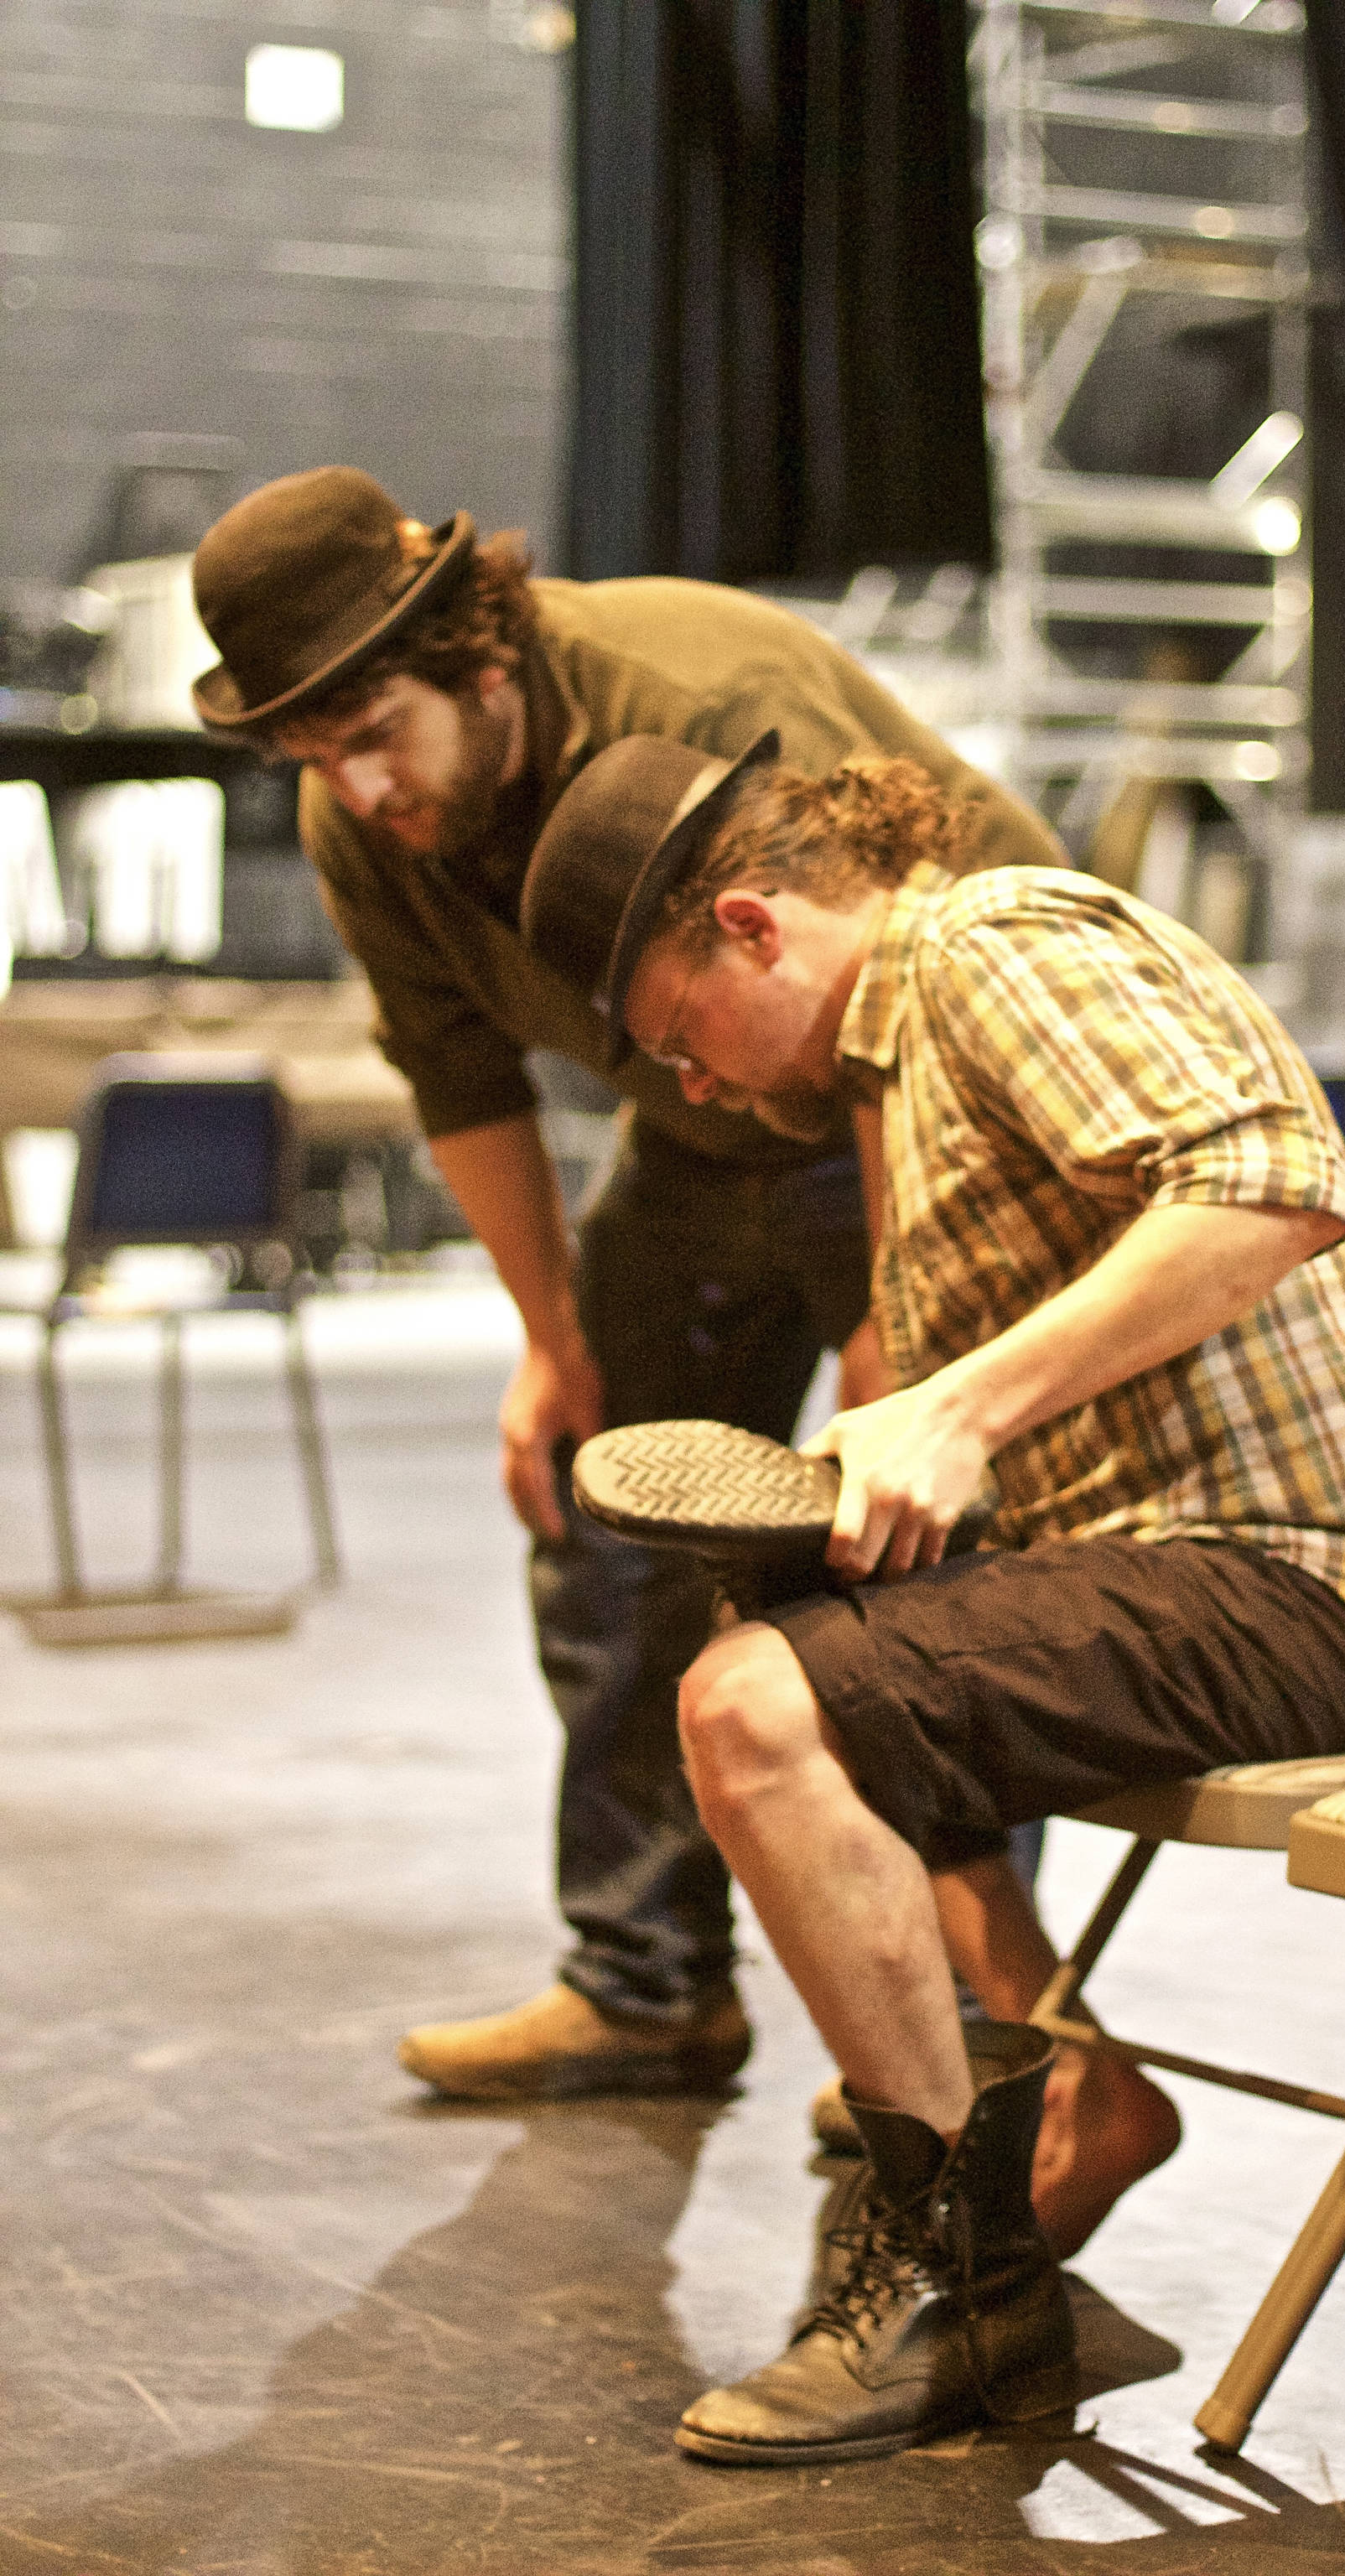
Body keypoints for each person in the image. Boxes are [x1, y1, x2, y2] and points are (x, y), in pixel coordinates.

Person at [517, 733, 1345, 2466]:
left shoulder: (990, 946)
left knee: (754, 1709)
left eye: (685, 1046)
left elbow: (1276, 1180)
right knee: (803, 1640)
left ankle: (958, 2296)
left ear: (748, 924)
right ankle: (1068, 2091)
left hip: (1303, 1582)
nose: (714, 1097)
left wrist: (963, 1410)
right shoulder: (898, 1074)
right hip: (1165, 1562)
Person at [189, 467, 1066, 2101]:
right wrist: (547, 1343)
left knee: (914, 1551)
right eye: (312, 753)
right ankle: (648, 1981)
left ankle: (964, 2030)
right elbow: (459, 1076)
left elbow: (894, 997)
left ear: (477, 660)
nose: (357, 786)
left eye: (373, 732)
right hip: (702, 1113)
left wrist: (906, 1335)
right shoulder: (358, 810)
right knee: (602, 1501)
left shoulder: (695, 696)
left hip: (925, 1095)